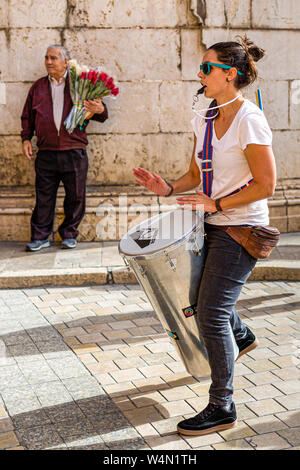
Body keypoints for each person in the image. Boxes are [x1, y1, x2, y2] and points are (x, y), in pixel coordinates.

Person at [133, 35, 276, 436]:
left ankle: (222, 405)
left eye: (207, 67)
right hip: (207, 226)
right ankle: (241, 333)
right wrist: (166, 188)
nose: (200, 73)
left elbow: (266, 184)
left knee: (209, 311)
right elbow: (197, 175)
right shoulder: (204, 117)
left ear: (231, 74)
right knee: (203, 302)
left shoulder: (250, 119)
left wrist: (216, 205)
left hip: (242, 227)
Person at [21, 44, 108, 251]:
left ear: (66, 62)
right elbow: (28, 116)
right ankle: (40, 237)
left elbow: (102, 115)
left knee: (76, 196)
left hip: (74, 151)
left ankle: (69, 233)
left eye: (53, 58)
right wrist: (26, 139)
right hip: (46, 152)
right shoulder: (38, 87)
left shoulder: (80, 85)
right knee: (44, 197)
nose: (49, 62)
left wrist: (101, 108)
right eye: (46, 58)